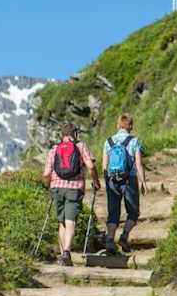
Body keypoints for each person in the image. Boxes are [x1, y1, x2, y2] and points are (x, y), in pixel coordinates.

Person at [43, 123, 98, 266]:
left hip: (56, 187)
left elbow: (46, 173)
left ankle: (63, 256)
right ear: (75, 134)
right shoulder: (80, 146)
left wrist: (48, 186)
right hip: (74, 188)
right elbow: (91, 166)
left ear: (62, 134)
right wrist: (96, 181)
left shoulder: (54, 149)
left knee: (61, 222)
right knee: (70, 220)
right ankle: (67, 252)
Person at [101, 113, 146, 255]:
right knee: (133, 212)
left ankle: (109, 240)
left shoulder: (108, 141)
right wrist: (143, 182)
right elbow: (138, 163)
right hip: (129, 179)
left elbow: (104, 165)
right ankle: (124, 236)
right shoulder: (134, 141)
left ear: (118, 125)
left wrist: (107, 182)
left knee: (113, 213)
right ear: (130, 126)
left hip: (112, 180)